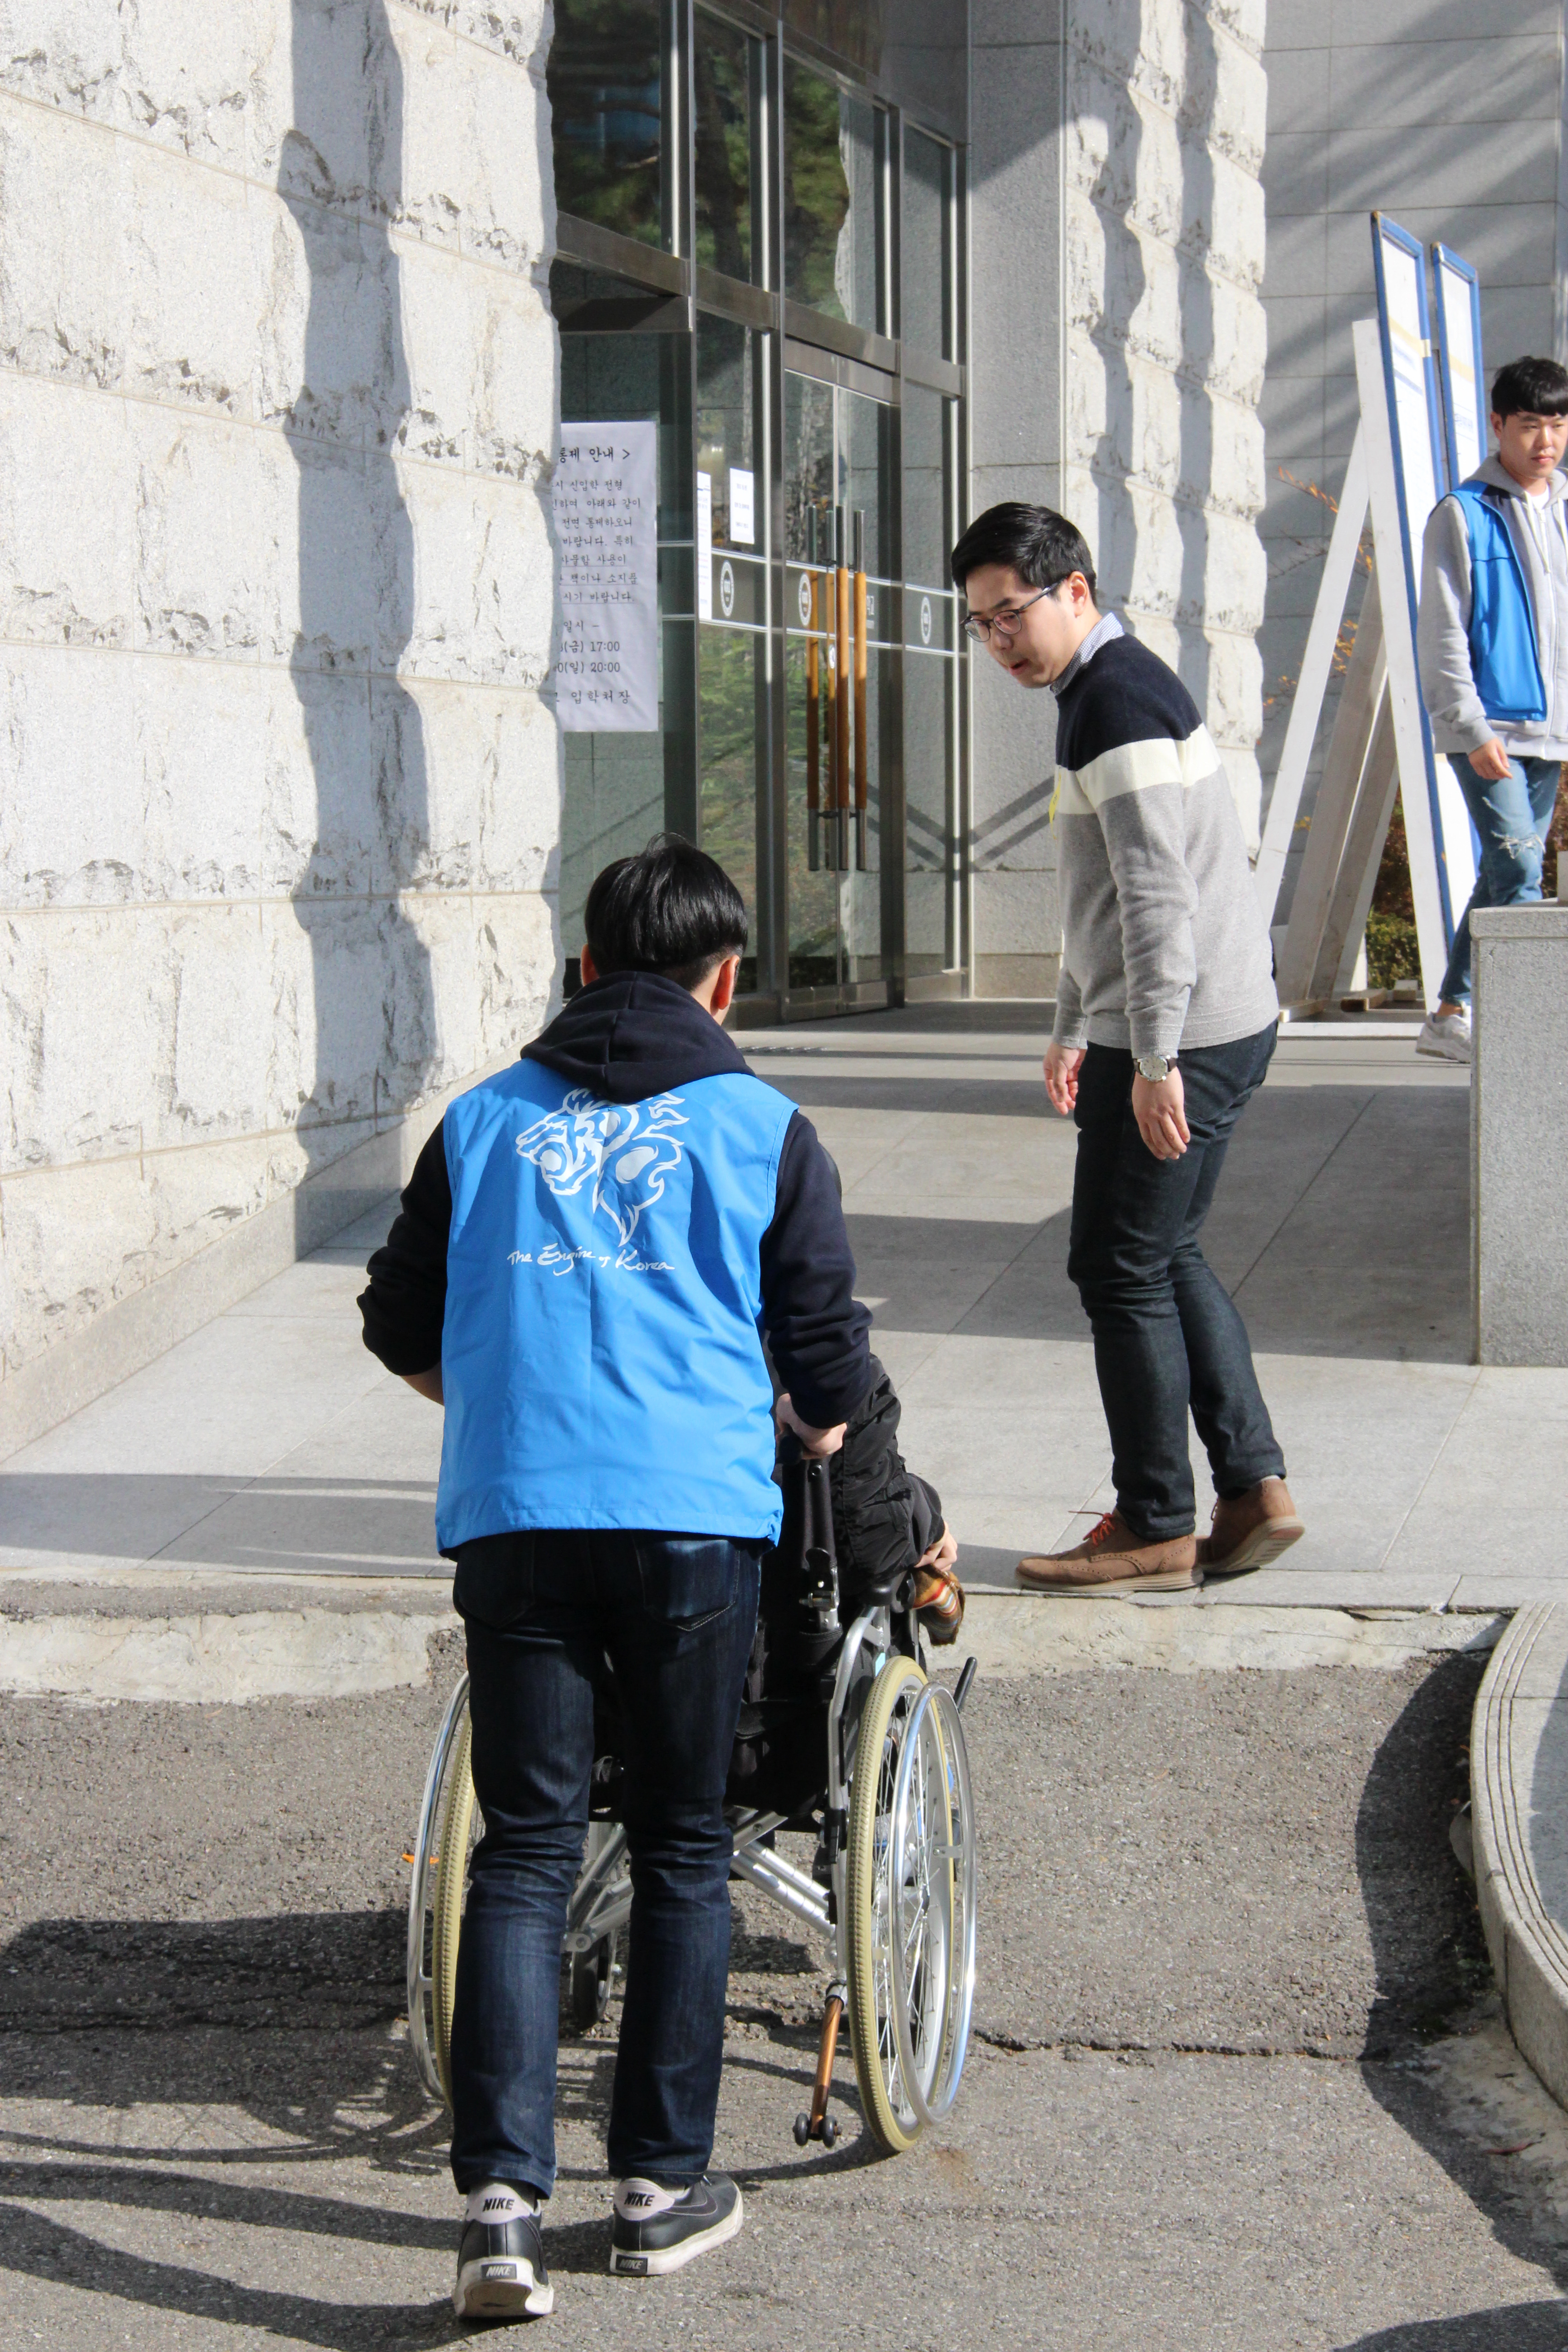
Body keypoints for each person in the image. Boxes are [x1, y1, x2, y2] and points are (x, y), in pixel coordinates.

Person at [358, 836, 871, 2320]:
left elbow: (395, 1319)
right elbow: (824, 1355)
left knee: (520, 1854)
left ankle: (502, 2213)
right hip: (689, 1525)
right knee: (679, 1841)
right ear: (724, 979)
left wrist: (501, 1403)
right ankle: (656, 2186)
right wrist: (813, 1425)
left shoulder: (480, 1123)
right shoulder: (760, 1126)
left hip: (516, 1516)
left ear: (583, 970)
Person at [949, 502, 1303, 1595]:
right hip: (1191, 1022)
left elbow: (1158, 902)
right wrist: (1074, 1023)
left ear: (1077, 591)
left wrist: (1150, 1061)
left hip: (1187, 1031)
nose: (1003, 639)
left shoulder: (1114, 704)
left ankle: (1157, 1521)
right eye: (982, 624)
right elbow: (1099, 894)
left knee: (1116, 1264)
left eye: (1013, 613)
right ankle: (1251, 1490)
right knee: (1163, 1253)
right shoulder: (1099, 690)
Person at [1417, 355, 1568, 1064]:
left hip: (1552, 729)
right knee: (1520, 873)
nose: (1547, 441)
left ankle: (1453, 1013)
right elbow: (1444, 630)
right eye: (1532, 425)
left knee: (1505, 871)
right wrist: (1470, 729)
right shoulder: (1463, 513)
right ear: (1500, 425)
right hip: (1490, 726)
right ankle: (1526, 1032)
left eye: (1559, 424)